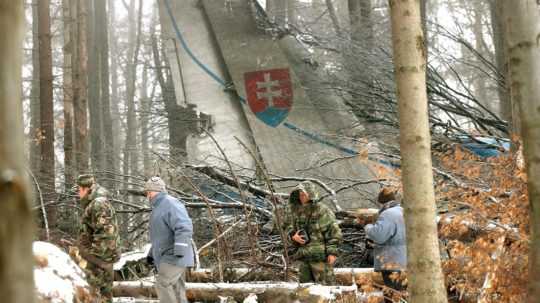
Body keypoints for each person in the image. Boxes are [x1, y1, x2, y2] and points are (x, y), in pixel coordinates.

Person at [144, 176, 194, 303]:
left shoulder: (170, 203)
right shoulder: (158, 207)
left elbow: (184, 226)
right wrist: (151, 254)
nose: (147, 195)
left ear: (157, 191)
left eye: (149, 192)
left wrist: (180, 250)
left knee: (162, 283)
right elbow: (161, 236)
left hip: (174, 255)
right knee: (176, 289)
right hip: (168, 254)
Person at [286, 181, 342, 284]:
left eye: (304, 194)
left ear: (311, 194)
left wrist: (332, 252)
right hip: (302, 257)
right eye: (300, 194)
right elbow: (287, 229)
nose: (302, 196)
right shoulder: (293, 211)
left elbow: (333, 231)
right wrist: (293, 237)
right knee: (305, 292)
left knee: (327, 290)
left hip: (320, 258)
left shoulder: (322, 210)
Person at [358, 187, 407, 302]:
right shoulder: (402, 211)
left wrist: (367, 225)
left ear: (382, 201)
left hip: (391, 261)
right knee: (402, 293)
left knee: (392, 294)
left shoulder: (388, 214)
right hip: (405, 260)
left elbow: (379, 236)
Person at [77, 174, 120, 303]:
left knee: (95, 296)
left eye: (79, 189)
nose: (78, 193)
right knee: (102, 297)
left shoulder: (99, 204)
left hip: (99, 261)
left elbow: (106, 234)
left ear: (86, 189)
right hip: (100, 260)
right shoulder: (95, 203)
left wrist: (93, 259)